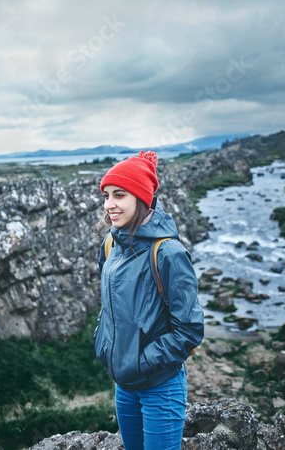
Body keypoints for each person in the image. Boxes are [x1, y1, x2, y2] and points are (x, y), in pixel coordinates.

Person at [94, 150, 204, 450]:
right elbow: (109, 309)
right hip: (124, 386)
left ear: (141, 198)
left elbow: (190, 329)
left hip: (161, 388)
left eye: (119, 195)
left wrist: (142, 362)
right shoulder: (109, 245)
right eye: (106, 195)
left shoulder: (167, 253)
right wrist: (103, 344)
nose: (109, 205)